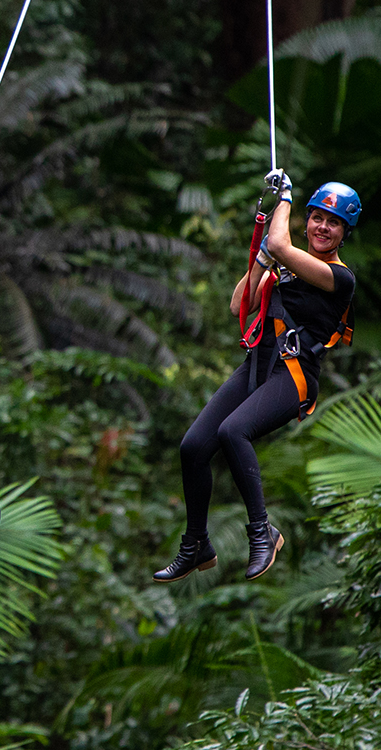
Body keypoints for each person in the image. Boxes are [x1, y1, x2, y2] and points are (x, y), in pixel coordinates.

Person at [154, 170, 360, 584]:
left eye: (334, 223)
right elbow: (239, 305)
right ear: (308, 221)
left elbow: (282, 244)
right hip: (258, 366)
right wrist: (263, 260)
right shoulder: (284, 268)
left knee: (233, 432)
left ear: (344, 234)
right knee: (193, 446)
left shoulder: (339, 278)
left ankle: (263, 531)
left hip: (293, 374)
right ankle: (197, 544)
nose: (323, 228)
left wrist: (284, 197)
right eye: (318, 218)